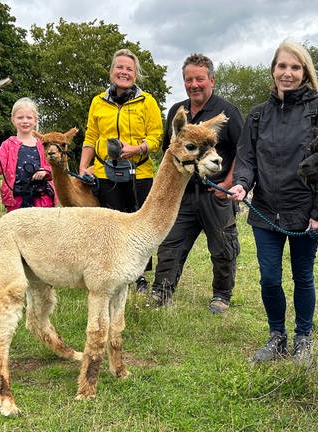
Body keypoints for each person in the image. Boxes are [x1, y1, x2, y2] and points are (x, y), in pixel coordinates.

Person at [228, 40, 318, 367]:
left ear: (304, 72)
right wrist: (241, 184)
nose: (287, 73)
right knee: (269, 278)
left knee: (303, 276)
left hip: (306, 214)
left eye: (295, 67)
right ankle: (277, 337)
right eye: (282, 66)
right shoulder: (258, 115)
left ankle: (303, 338)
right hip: (265, 211)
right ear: (273, 70)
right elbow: (246, 158)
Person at [147, 53, 243, 314]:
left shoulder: (228, 112)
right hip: (183, 193)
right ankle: (161, 292)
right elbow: (172, 149)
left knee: (223, 244)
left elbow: (244, 150)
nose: (194, 85)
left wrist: (230, 181)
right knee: (171, 243)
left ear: (211, 80)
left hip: (216, 192)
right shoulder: (177, 112)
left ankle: (221, 296)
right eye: (189, 80)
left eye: (200, 79)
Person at [79, 48, 163, 291]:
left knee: (139, 225)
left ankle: (140, 276)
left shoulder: (147, 102)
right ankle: (113, 271)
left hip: (139, 173)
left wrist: (136, 149)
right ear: (111, 72)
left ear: (135, 75)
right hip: (106, 174)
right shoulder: (98, 101)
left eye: (129, 69)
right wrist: (84, 165)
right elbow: (91, 136)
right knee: (111, 226)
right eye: (120, 67)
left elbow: (156, 137)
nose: (124, 72)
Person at [0, 97, 55, 212]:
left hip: (42, 199)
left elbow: (53, 169)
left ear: (36, 120)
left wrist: (44, 171)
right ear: (13, 120)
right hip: (17, 199)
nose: (25, 121)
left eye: (29, 117)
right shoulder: (7, 145)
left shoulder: (43, 145)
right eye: (20, 117)